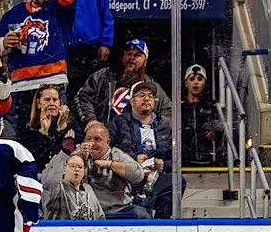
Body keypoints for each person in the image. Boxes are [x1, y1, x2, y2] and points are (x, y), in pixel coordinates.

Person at [0, 0, 75, 126]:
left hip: (53, 83)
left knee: (54, 136)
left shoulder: (59, 9)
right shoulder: (14, 14)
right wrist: (3, 43)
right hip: (20, 87)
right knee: (20, 139)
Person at [109, 83, 177, 219]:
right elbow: (110, 151)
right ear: (131, 101)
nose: (146, 99)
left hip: (156, 177)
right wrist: (133, 159)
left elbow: (175, 158)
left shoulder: (164, 124)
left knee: (177, 181)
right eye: (141, 95)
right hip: (129, 178)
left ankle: (162, 222)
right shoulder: (118, 123)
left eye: (150, 96)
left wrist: (164, 164)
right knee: (140, 213)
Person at [75, 39, 172, 130]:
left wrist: (152, 128)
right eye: (129, 54)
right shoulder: (103, 76)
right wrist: (91, 120)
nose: (132, 58)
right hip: (104, 136)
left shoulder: (152, 86)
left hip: (138, 138)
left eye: (137, 55)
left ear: (145, 60)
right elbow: (82, 97)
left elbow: (169, 113)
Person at [76, 122, 147, 219]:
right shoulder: (78, 154)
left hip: (117, 210)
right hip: (87, 212)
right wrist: (81, 160)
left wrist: (110, 164)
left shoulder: (116, 155)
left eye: (97, 139)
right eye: (88, 139)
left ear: (108, 142)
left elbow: (138, 174)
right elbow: (64, 180)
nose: (92, 143)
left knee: (140, 214)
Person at [18, 85, 80, 172]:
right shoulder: (28, 130)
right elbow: (37, 159)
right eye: (47, 99)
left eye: (55, 100)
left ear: (60, 103)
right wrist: (43, 131)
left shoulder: (72, 128)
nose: (51, 103)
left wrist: (61, 128)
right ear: (38, 103)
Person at [41, 151, 104, 220]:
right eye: (72, 166)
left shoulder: (89, 189)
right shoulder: (57, 187)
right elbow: (47, 182)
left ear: (84, 172)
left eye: (80, 167)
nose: (76, 169)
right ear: (64, 169)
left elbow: (100, 217)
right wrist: (65, 151)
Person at [180, 64, 222, 167]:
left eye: (200, 79)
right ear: (186, 83)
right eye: (192, 79)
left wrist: (215, 133)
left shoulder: (212, 107)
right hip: (183, 162)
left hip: (208, 162)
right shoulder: (179, 107)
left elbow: (221, 128)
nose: (196, 82)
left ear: (204, 83)